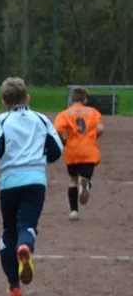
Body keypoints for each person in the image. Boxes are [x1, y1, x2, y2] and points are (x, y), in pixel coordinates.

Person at [0, 77, 63, 296]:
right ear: (27, 97)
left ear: (3, 101)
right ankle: (25, 245)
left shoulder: (1, 121)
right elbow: (57, 149)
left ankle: (14, 287)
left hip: (10, 182)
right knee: (27, 224)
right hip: (36, 180)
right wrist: (38, 157)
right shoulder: (41, 119)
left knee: (8, 232)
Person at [53, 86, 104, 221]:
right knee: (85, 177)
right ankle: (85, 184)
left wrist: (64, 141)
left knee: (72, 180)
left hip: (72, 151)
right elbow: (100, 129)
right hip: (89, 151)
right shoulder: (94, 112)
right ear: (85, 99)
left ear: (71, 100)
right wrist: (93, 137)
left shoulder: (64, 114)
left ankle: (74, 211)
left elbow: (56, 130)